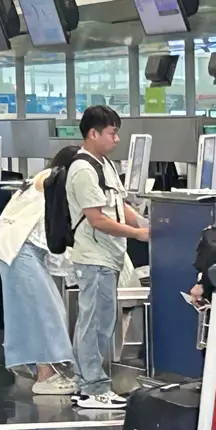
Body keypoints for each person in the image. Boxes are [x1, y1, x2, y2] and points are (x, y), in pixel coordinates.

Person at [68, 105, 149, 411]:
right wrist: (136, 234)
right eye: (112, 133)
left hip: (108, 256)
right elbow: (97, 219)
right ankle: (92, 388)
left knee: (102, 323)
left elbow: (118, 204)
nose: (116, 139)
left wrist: (144, 222)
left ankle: (88, 384)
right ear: (93, 133)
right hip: (94, 257)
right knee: (93, 324)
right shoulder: (83, 170)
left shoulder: (105, 165)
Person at [0, 145, 79, 395]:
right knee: (44, 313)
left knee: (36, 312)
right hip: (21, 251)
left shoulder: (40, 179)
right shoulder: (52, 179)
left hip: (15, 251)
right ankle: (46, 376)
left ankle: (44, 371)